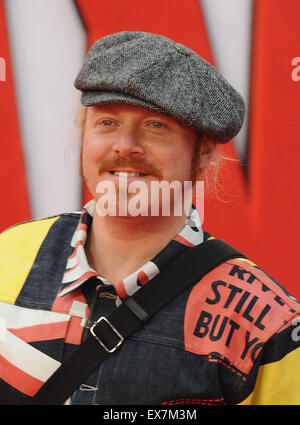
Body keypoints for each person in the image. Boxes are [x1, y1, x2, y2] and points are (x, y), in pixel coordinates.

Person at [0, 31, 299, 406]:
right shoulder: (7, 255)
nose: (125, 146)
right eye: (107, 123)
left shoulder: (265, 318)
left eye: (156, 126)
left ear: (204, 153)